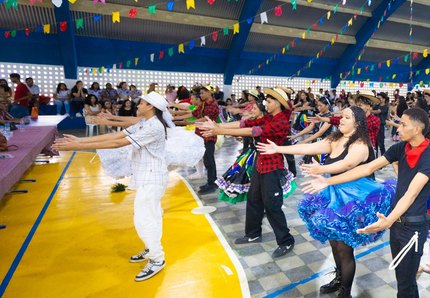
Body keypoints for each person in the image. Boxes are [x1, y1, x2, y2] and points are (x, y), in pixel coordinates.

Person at [302, 108, 430, 298]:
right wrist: (328, 181)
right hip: (399, 225)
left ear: (418, 128)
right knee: (406, 283)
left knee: (405, 288)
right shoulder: (401, 148)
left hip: (412, 227)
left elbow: (411, 194)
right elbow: (368, 167)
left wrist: (389, 220)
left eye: (402, 125)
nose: (397, 128)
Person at [258, 106, 394, 298]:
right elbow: (309, 149)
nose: (341, 120)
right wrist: (279, 149)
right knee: (333, 241)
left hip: (352, 199)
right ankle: (339, 277)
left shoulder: (360, 145)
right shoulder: (335, 138)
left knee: (345, 249)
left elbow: (347, 164)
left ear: (357, 123)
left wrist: (322, 170)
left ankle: (345, 297)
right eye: (342, 116)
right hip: (331, 192)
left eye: (347, 117)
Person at [52, 92, 174, 282]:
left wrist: (78, 144)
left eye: (141, 103)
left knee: (144, 219)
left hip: (153, 178)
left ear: (150, 107)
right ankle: (152, 249)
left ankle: (157, 259)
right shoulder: (145, 123)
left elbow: (118, 142)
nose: (138, 105)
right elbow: (119, 134)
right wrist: (79, 141)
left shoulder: (155, 127)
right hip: (146, 176)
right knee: (152, 216)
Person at [199, 88, 295, 258]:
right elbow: (245, 124)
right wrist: (218, 126)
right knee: (253, 199)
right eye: (266, 100)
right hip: (260, 165)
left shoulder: (281, 122)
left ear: (279, 104)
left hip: (273, 169)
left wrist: (220, 131)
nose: (266, 103)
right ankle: (253, 233)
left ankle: (286, 240)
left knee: (272, 206)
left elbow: (254, 132)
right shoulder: (269, 117)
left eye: (270, 101)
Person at [192, 85, 220, 195]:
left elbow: (204, 119)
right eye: (200, 93)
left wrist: (187, 122)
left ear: (209, 93)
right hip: (202, 134)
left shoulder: (213, 105)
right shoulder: (203, 104)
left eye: (203, 93)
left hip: (209, 135)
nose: (201, 95)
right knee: (206, 159)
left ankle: (212, 183)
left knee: (209, 159)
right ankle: (210, 182)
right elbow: (194, 113)